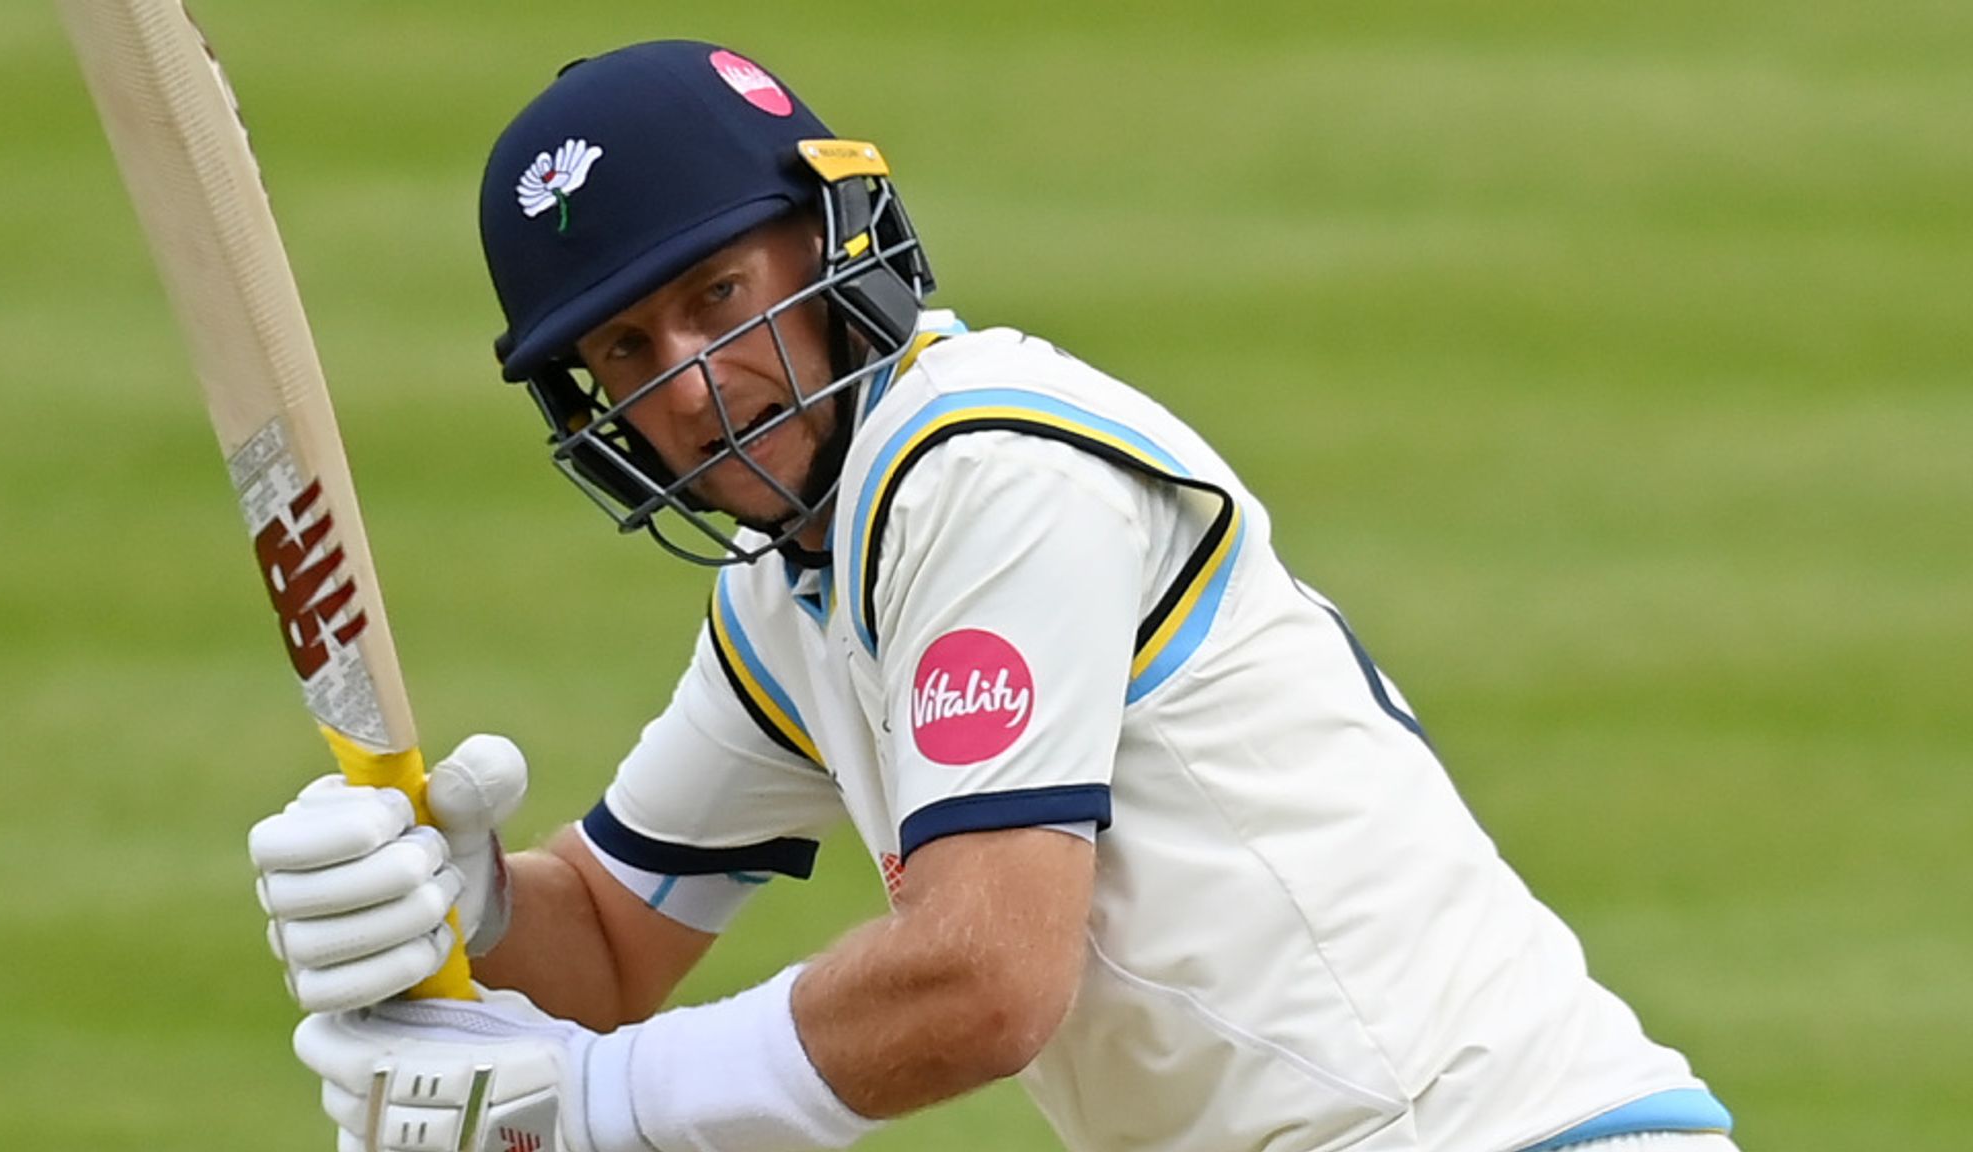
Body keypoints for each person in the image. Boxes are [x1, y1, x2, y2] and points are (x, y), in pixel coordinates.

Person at [248, 39, 1739, 1152]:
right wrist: (472, 898)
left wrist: (602, 1108)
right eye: (629, 353)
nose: (695, 387)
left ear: (833, 251)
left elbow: (985, 978)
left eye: (717, 297)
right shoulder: (801, 590)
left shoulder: (983, 468)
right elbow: (614, 948)